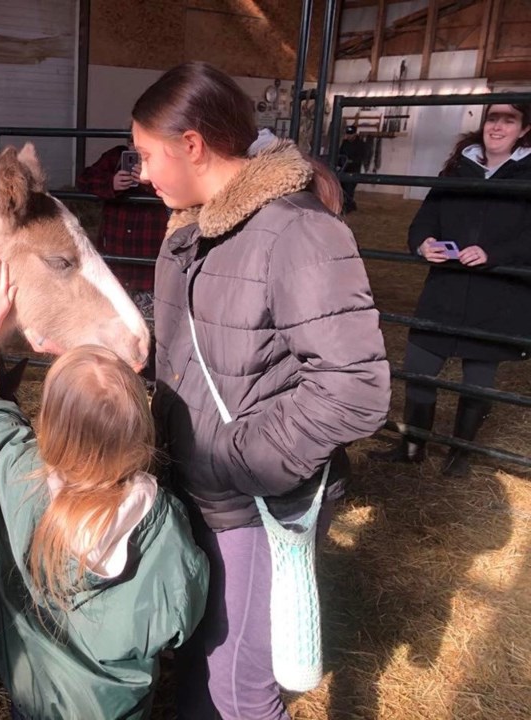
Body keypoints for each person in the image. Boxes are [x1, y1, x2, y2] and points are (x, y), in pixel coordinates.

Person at [131, 62, 391, 720]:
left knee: (240, 691)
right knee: (201, 656)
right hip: (196, 485)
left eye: (145, 155)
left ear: (191, 144)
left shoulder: (298, 233)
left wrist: (239, 463)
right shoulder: (189, 230)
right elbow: (196, 348)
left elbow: (355, 387)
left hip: (251, 502)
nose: (141, 174)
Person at [0, 259, 209, 720]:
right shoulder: (164, 524)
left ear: (47, 423)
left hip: (32, 696)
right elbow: (182, 620)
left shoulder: (14, 475)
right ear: (140, 428)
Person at [375, 102, 531, 476]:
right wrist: (423, 243)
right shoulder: (460, 166)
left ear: (524, 130)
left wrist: (496, 254)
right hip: (445, 287)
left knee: (477, 378)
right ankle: (412, 447)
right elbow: (426, 216)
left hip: (497, 294)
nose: (497, 127)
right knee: (418, 366)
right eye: (493, 118)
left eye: (508, 120)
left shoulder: (528, 174)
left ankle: (459, 453)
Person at [76, 141, 169, 304]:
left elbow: (178, 189)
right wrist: (110, 183)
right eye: (133, 143)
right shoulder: (115, 157)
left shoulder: (164, 161)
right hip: (116, 248)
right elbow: (84, 180)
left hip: (148, 252)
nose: (137, 151)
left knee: (149, 311)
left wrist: (150, 182)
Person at [339, 124, 362, 213]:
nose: (349, 136)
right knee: (343, 188)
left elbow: (361, 157)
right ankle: (348, 205)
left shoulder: (360, 144)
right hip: (344, 169)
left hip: (353, 170)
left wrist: (351, 161)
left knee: (349, 189)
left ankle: (348, 206)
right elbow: (340, 153)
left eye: (350, 134)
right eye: (348, 134)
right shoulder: (345, 143)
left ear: (355, 134)